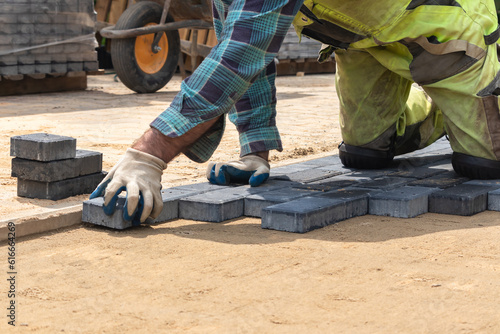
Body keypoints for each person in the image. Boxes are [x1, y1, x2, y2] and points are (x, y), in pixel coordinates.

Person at [92, 0, 500, 225]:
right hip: (363, 44)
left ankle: (459, 106)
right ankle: (435, 112)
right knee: (364, 154)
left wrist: (150, 153)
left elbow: (240, 57)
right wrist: (255, 149)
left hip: (445, 34)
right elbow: (244, 43)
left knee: (482, 163)